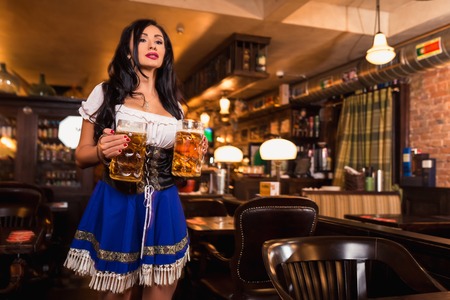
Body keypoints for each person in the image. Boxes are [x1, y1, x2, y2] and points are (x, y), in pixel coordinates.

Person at [64, 19, 205, 299]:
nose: (152, 44)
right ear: (128, 51)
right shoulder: (106, 92)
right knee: (120, 290)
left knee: (164, 286)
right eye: (143, 39)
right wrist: (102, 151)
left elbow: (181, 166)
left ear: (165, 54)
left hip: (165, 201)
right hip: (120, 199)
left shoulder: (174, 106)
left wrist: (194, 155)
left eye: (159, 40)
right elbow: (81, 157)